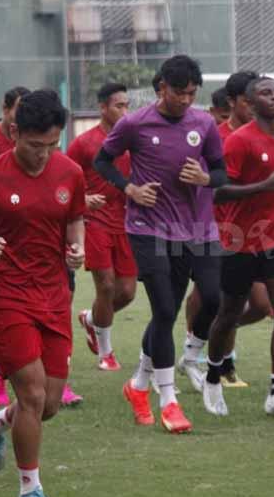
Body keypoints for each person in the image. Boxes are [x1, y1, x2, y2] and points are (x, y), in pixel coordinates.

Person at [0, 89, 85, 497]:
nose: (44, 155)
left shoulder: (69, 173)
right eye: (35, 145)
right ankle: (30, 490)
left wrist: (76, 247)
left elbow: (75, 217)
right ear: (14, 132)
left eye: (52, 145)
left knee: (47, 405)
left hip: (53, 294)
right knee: (30, 393)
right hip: (4, 293)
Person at [95, 55, 225, 435]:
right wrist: (130, 188)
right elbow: (102, 161)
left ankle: (138, 384)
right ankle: (168, 401)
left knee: (213, 298)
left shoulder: (203, 123)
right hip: (148, 228)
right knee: (165, 309)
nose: (185, 100)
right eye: (179, 92)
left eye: (191, 93)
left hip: (199, 230)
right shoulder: (135, 123)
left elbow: (220, 172)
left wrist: (204, 177)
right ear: (160, 89)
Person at [204, 76, 274, 418]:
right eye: (265, 93)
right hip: (239, 240)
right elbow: (218, 191)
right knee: (229, 313)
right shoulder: (239, 141)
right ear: (248, 101)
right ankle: (213, 376)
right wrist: (263, 186)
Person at [182, 71, 268, 389]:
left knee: (260, 305)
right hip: (211, 229)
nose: (256, 106)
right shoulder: (212, 135)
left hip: (253, 232)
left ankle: (205, 344)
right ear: (232, 103)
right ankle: (202, 356)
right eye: (248, 101)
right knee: (211, 297)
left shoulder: (265, 134)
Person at [70, 82, 137, 372]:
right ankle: (106, 354)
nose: (124, 111)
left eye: (126, 105)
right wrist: (83, 199)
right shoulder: (84, 143)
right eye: (118, 105)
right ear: (102, 108)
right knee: (107, 286)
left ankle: (91, 319)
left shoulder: (134, 141)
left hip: (128, 222)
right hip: (94, 221)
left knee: (127, 292)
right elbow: (62, 179)